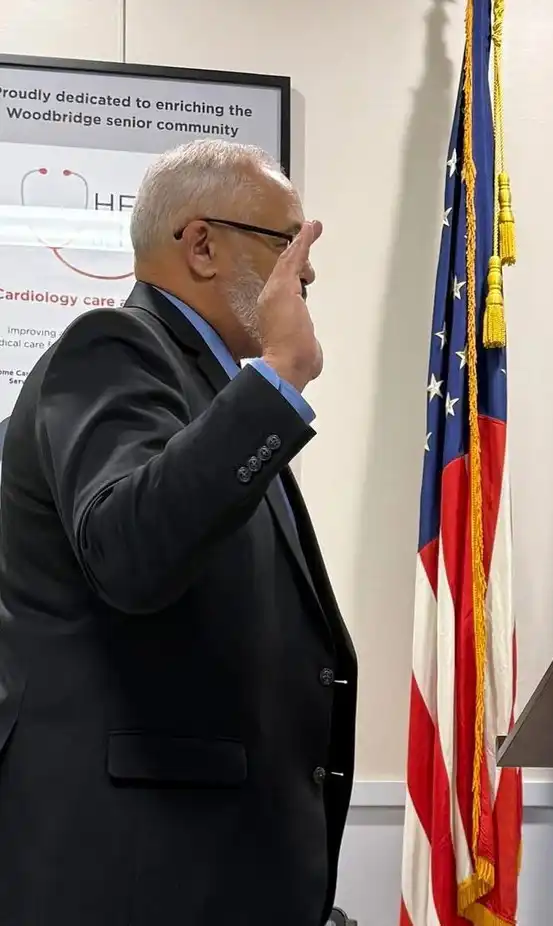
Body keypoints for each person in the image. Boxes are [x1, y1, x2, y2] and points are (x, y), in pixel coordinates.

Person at [0, 139, 356, 926]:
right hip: (132, 879)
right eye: (285, 242)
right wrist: (281, 377)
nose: (307, 272)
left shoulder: (209, 394)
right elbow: (131, 551)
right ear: (200, 244)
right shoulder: (112, 349)